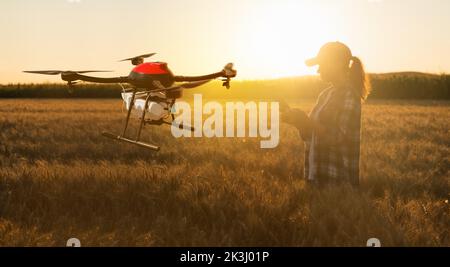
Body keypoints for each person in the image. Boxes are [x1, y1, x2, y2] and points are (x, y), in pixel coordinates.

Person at [283, 42, 371, 187]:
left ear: (337, 64)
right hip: (315, 177)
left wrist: (308, 122)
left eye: (321, 64)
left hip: (338, 183)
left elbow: (339, 138)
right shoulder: (325, 95)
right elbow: (310, 136)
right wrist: (298, 121)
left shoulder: (349, 95)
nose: (318, 70)